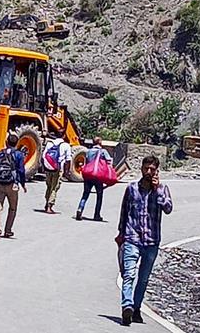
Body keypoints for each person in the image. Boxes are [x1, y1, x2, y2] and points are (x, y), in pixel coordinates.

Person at [116, 156, 173, 326]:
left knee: (143, 278)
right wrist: (120, 234)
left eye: (152, 169)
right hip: (132, 238)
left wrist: (157, 191)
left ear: (157, 171)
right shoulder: (131, 188)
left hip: (151, 242)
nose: (148, 172)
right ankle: (127, 306)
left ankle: (136, 308)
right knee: (129, 274)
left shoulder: (163, 189)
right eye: (146, 168)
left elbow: (168, 208)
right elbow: (124, 211)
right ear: (141, 168)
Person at [0, 134, 26, 238]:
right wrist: (22, 184)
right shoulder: (19, 155)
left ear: (6, 142)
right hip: (12, 185)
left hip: (0, 183)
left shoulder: (0, 153)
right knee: (12, 208)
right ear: (17, 143)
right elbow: (21, 171)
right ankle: (8, 230)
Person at [76, 137, 112, 221]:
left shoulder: (88, 151)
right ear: (99, 142)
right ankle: (97, 215)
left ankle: (80, 209)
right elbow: (109, 161)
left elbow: (87, 161)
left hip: (88, 175)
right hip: (98, 176)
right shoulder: (103, 151)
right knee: (99, 196)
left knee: (85, 194)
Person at [42, 130, 71, 214]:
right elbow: (68, 159)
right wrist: (67, 171)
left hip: (48, 168)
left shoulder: (49, 143)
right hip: (57, 169)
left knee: (48, 186)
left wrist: (45, 167)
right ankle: (49, 206)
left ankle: (46, 203)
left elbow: (44, 156)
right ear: (64, 136)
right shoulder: (65, 145)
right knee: (54, 188)